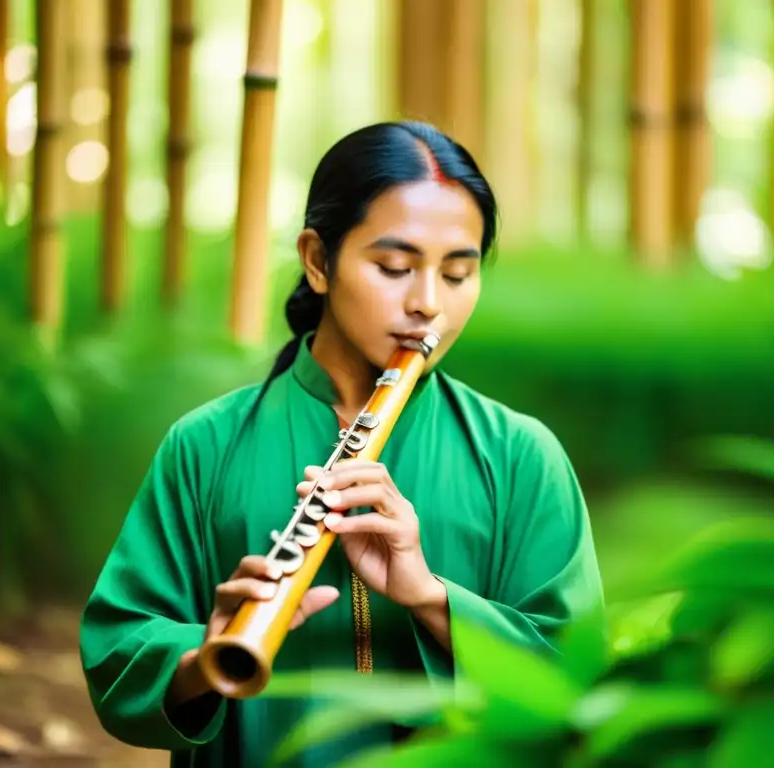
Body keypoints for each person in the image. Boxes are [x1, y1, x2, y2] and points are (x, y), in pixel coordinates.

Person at [79, 120, 605, 767]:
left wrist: (430, 598)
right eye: (394, 266)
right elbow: (119, 647)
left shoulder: (523, 454)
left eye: (459, 273)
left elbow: (575, 682)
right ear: (318, 261)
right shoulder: (205, 443)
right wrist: (199, 657)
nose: (428, 304)